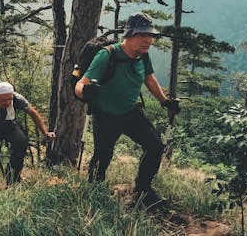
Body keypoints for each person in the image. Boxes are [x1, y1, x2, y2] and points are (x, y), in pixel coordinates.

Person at [75, 12, 180, 208]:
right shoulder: (107, 55)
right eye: (142, 35)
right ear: (129, 35)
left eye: (150, 36)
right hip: (105, 115)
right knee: (102, 155)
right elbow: (80, 84)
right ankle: (94, 194)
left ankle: (143, 191)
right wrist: (85, 92)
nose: (148, 40)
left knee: (155, 146)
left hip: (131, 112)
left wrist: (164, 101)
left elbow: (149, 78)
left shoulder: (143, 55)